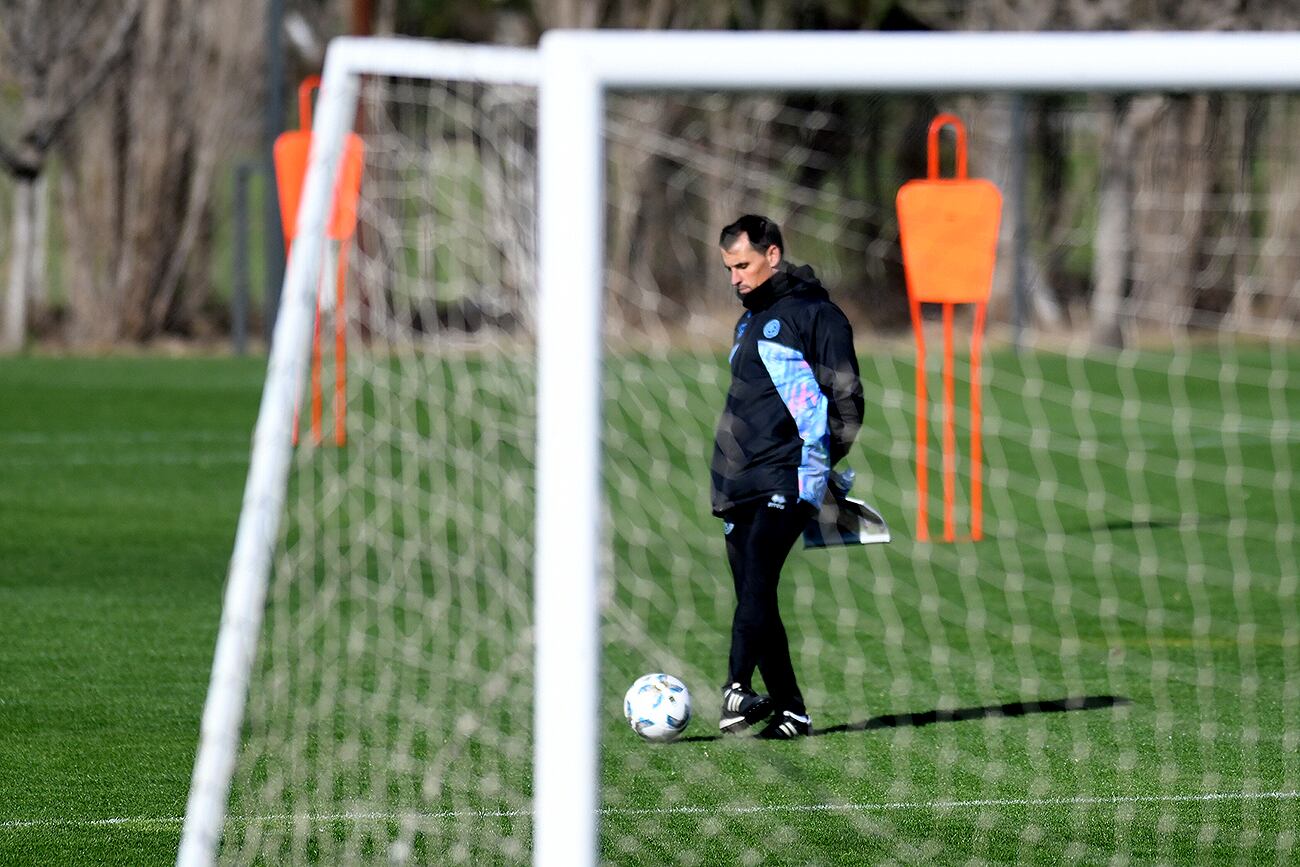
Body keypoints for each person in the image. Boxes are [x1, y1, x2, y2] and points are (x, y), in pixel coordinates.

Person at [710, 214, 864, 739]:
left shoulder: (817, 315)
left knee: (758, 576)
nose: (735, 278)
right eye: (729, 268)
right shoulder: (748, 321)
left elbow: (847, 401)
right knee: (755, 595)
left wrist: (822, 466)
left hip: (790, 474)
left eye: (744, 265)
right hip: (738, 480)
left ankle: (735, 688)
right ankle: (791, 711)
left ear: (772, 255)